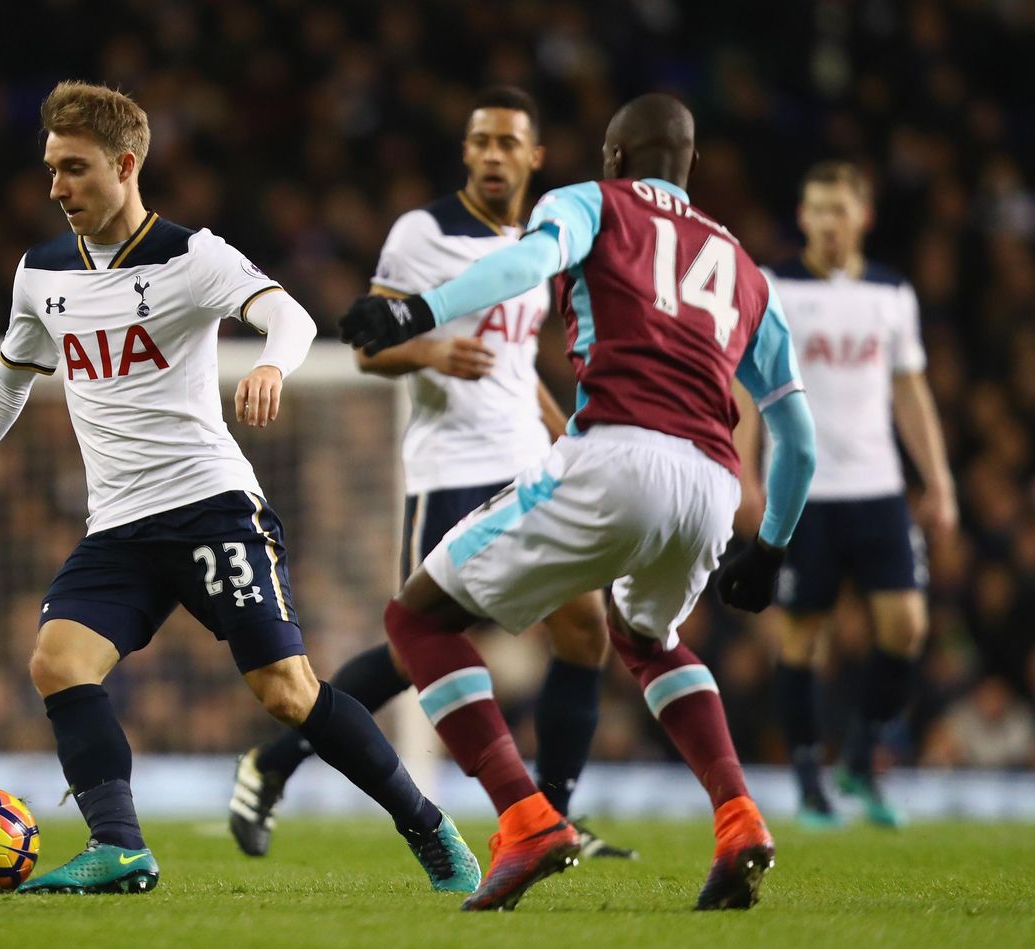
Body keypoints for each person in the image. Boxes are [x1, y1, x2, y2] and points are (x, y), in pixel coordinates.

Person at [0, 80, 479, 897]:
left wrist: (272, 364)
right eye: (51, 168)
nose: (57, 187)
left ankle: (427, 825)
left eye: (74, 168)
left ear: (125, 165)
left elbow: (291, 316)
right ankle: (118, 846)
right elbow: (7, 383)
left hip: (211, 507)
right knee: (59, 662)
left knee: (286, 693)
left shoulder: (191, 256)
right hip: (118, 525)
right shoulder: (41, 273)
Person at [339, 93, 817, 912]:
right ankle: (739, 817)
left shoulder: (590, 201)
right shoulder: (744, 267)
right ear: (690, 166)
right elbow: (799, 437)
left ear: (614, 158)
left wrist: (414, 311)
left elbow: (524, 267)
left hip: (615, 453)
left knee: (417, 620)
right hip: (712, 481)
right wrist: (770, 546)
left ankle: (525, 817)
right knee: (647, 638)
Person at [229, 86, 632, 862]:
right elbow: (368, 346)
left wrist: (568, 437)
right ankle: (272, 762)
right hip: (451, 467)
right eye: (481, 141)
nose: (492, 155)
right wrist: (433, 350)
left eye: (508, 142)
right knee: (417, 649)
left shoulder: (540, 242)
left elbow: (517, 366)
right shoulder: (424, 233)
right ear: (466, 152)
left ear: (535, 157)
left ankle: (555, 811)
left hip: (527, 464)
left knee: (586, 628)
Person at [737, 161, 957, 828]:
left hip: (878, 485)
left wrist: (938, 478)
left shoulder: (891, 292)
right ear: (802, 218)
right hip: (802, 489)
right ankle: (810, 781)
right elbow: (746, 383)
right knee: (802, 637)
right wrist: (745, 472)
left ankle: (859, 760)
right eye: (817, 209)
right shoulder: (773, 286)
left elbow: (909, 390)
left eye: (840, 209)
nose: (828, 222)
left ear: (863, 216)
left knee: (907, 626)